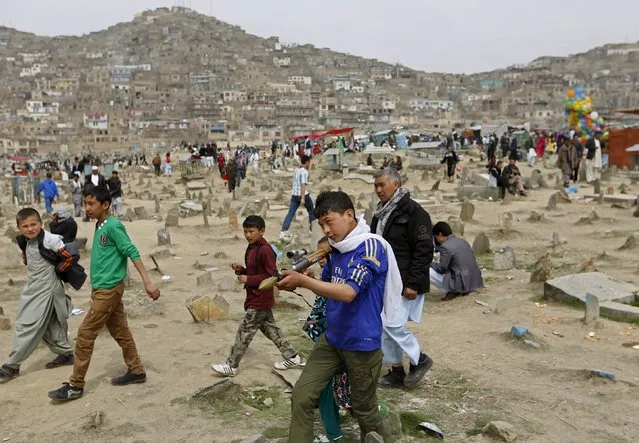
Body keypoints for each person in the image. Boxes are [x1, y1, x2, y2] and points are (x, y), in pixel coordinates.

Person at [277, 191, 404, 442]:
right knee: (301, 396)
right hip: (332, 339)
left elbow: (347, 292)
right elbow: (329, 285)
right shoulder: (336, 249)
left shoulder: (370, 247)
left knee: (363, 409)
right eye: (321, 224)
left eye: (329, 222)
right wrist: (305, 280)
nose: (325, 230)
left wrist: (303, 281)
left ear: (349, 215)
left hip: (361, 344)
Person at [47, 186, 160, 402]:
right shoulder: (101, 225)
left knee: (85, 333)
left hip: (109, 290)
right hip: (103, 289)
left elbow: (131, 251)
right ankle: (136, 370)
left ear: (105, 205)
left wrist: (148, 282)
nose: (87, 208)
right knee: (120, 331)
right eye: (86, 203)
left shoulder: (114, 227)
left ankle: (75, 385)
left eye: (92, 204)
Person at [211, 215, 301, 377]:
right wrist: (241, 270)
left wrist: (248, 279)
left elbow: (271, 276)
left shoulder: (265, 250)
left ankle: (232, 365)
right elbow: (255, 272)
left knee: (244, 332)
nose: (248, 235)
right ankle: (292, 356)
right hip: (255, 297)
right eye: (245, 231)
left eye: (251, 231)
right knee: (271, 330)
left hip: (260, 299)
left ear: (262, 231)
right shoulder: (252, 247)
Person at [371, 168, 434, 388]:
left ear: (395, 184)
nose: (378, 190)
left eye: (382, 185)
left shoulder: (414, 211)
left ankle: (420, 359)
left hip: (406, 280)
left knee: (393, 325)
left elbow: (424, 248)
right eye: (376, 185)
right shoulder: (380, 213)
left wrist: (413, 283)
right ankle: (395, 370)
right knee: (383, 326)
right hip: (385, 281)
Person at [0, 208, 75, 381]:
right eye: (25, 226)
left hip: (47, 289)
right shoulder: (24, 241)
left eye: (33, 224)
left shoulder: (51, 240)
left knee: (28, 325)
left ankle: (12, 365)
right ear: (19, 228)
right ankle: (66, 354)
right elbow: (28, 260)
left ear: (41, 223)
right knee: (49, 325)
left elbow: (68, 257)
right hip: (33, 288)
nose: (30, 229)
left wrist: (58, 270)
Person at [429, 221, 483, 300]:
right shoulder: (463, 241)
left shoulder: (445, 246)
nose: (436, 240)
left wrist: (430, 263)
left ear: (440, 235)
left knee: (427, 270)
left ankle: (453, 290)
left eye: (436, 237)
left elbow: (441, 269)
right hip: (474, 281)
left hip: (461, 282)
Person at [280, 155, 316, 241]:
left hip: (294, 194)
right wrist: (303, 198)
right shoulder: (304, 172)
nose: (310, 164)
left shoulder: (296, 170)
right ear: (307, 162)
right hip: (302, 195)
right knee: (311, 210)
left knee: (291, 213)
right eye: (309, 162)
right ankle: (314, 228)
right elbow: (303, 185)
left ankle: (284, 230)